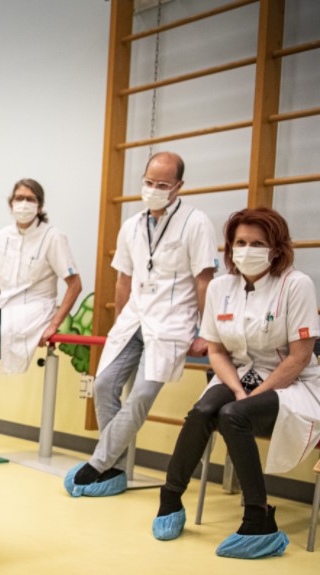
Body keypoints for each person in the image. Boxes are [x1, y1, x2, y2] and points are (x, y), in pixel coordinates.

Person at [152, 208, 320, 558]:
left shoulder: (296, 285)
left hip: (293, 385)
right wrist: (236, 388)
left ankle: (258, 519)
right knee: (203, 410)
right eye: (241, 242)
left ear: (276, 248)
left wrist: (251, 397)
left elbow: (299, 357)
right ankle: (170, 498)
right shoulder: (221, 287)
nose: (247, 250)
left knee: (234, 415)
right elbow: (216, 350)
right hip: (238, 375)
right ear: (230, 247)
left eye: (258, 243)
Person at [65, 151, 218, 497]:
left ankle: (98, 464)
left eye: (162, 185)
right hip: (133, 319)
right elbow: (123, 280)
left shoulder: (196, 223)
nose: (153, 190)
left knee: (142, 395)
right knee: (103, 385)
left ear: (178, 186)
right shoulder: (132, 225)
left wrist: (207, 332)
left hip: (172, 323)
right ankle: (115, 469)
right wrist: (120, 323)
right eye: (148, 183)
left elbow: (205, 280)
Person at [0, 178, 83, 454]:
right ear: (10, 203)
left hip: (34, 310)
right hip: (2, 305)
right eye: (19, 198)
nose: (24, 203)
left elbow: (75, 285)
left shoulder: (53, 237)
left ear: (39, 205)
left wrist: (54, 324)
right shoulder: (4, 235)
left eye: (30, 199)